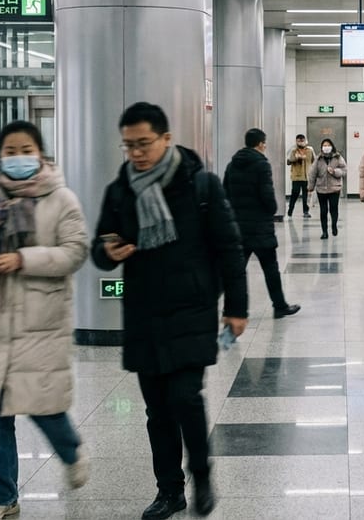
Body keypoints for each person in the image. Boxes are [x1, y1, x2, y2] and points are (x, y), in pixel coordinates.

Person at [91, 102, 248, 519]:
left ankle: (202, 474)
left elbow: (229, 247)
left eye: (144, 143)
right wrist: (108, 252)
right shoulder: (120, 190)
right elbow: (100, 248)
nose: (136, 153)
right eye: (129, 146)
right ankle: (169, 490)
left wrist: (236, 307)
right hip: (143, 312)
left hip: (191, 308)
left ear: (165, 138)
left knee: (185, 398)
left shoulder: (201, 186)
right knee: (156, 410)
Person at [0, 121, 90, 520]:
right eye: (9, 151)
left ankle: (71, 451)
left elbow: (75, 251)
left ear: (40, 153)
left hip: (39, 322)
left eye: (24, 149)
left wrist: (24, 259)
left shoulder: (61, 200)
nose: (17, 158)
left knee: (42, 404)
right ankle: (1, 498)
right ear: (0, 156)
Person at [224, 128, 301, 319]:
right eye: (264, 143)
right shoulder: (261, 163)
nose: (265, 146)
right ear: (260, 144)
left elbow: (225, 191)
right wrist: (271, 209)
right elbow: (267, 194)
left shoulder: (232, 164)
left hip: (239, 226)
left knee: (236, 270)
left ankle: (229, 309)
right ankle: (280, 306)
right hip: (259, 227)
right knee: (270, 268)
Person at [307, 138, 346, 240]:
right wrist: (311, 186)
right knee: (323, 211)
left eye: (328, 145)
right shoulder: (318, 158)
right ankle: (324, 232)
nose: (326, 147)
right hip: (321, 189)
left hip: (334, 188)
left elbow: (344, 170)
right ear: (321, 147)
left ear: (332, 146)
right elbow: (312, 173)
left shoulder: (338, 157)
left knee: (334, 209)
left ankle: (334, 225)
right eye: (324, 145)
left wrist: (334, 171)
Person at [286, 134, 314, 218]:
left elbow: (314, 161)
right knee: (295, 193)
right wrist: (296, 158)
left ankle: (306, 211)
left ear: (305, 141)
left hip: (307, 177)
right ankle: (290, 209)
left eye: (302, 140)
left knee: (306, 195)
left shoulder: (310, 150)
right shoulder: (293, 150)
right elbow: (288, 161)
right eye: (299, 141)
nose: (301, 142)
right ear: (296, 141)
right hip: (296, 177)